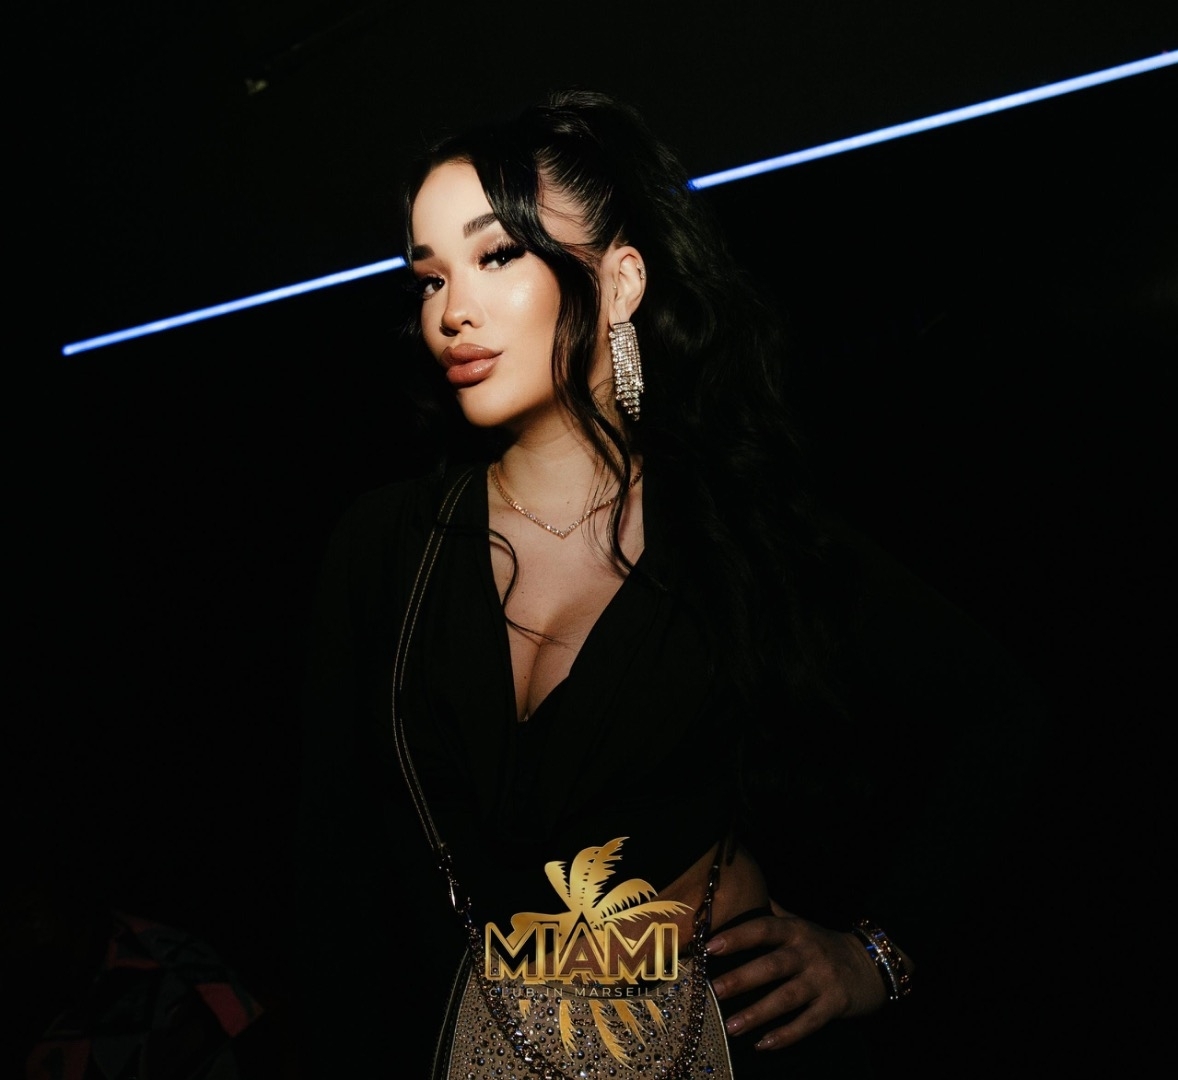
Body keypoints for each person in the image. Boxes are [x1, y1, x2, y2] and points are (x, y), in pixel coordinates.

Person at [299, 90, 1045, 1078]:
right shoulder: (386, 544)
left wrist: (877, 954)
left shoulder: (738, 537)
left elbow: (997, 715)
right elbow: (330, 862)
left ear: (620, 283)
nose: (451, 311)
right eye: (429, 276)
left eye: (497, 255)